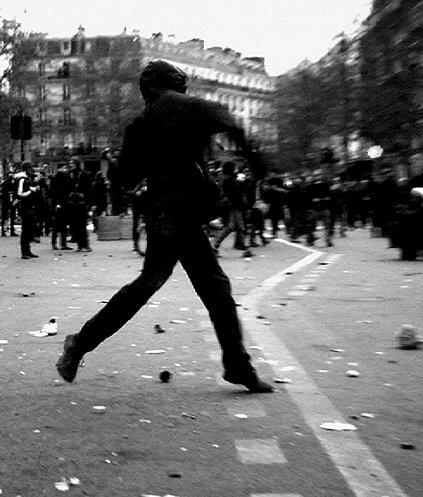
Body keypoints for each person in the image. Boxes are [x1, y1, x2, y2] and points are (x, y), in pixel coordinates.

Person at [56, 59, 273, 393]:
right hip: (182, 213)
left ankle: (237, 364)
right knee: (203, 287)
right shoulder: (193, 107)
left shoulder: (141, 124)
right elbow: (232, 123)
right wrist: (255, 161)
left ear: (149, 87)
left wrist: (119, 163)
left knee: (176, 284)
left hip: (166, 213)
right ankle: (236, 364)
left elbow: (126, 178)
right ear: (177, 83)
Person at [14, 163, 39, 259]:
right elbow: (19, 193)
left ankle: (27, 250)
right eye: (30, 168)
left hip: (29, 206)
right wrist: (30, 191)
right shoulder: (22, 179)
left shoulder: (27, 179)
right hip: (25, 206)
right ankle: (24, 251)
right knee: (26, 229)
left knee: (29, 229)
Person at [50, 162, 72, 250]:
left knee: (59, 224)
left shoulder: (55, 177)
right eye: (65, 168)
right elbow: (60, 190)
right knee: (60, 224)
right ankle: (61, 243)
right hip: (61, 203)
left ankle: (56, 243)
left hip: (58, 203)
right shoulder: (60, 176)